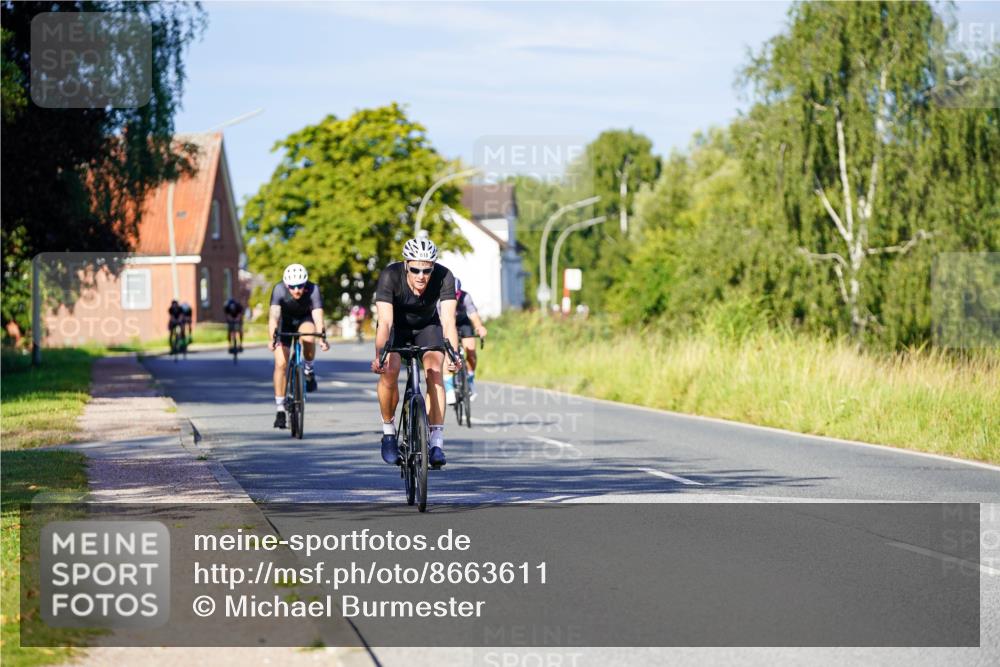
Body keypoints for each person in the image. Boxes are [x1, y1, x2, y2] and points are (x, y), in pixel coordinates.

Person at [371, 237, 459, 468]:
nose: (421, 275)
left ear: (433, 267)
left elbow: (449, 321)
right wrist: (380, 354)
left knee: (434, 371)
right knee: (390, 370)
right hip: (396, 328)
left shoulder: (444, 276)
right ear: (406, 264)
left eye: (427, 269)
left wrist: (454, 354)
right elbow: (385, 322)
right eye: (415, 269)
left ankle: (436, 444)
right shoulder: (390, 276)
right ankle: (389, 432)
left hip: (427, 327)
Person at [268, 263, 329, 429]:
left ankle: (309, 370)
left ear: (305, 283)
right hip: (285, 324)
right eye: (293, 287)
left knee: (309, 337)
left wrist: (322, 337)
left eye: (300, 286)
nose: (297, 290)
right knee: (281, 364)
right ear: (287, 285)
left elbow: (318, 315)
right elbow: (273, 316)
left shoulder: (313, 290)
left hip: (304, 320)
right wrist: (272, 338)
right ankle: (280, 409)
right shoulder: (279, 290)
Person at [443, 278, 488, 402]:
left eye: (456, 295)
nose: (455, 298)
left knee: (471, 350)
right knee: (448, 353)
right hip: (445, 323)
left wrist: (479, 327)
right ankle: (449, 388)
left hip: (462, 323)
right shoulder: (439, 298)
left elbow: (473, 315)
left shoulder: (465, 297)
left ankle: (470, 379)